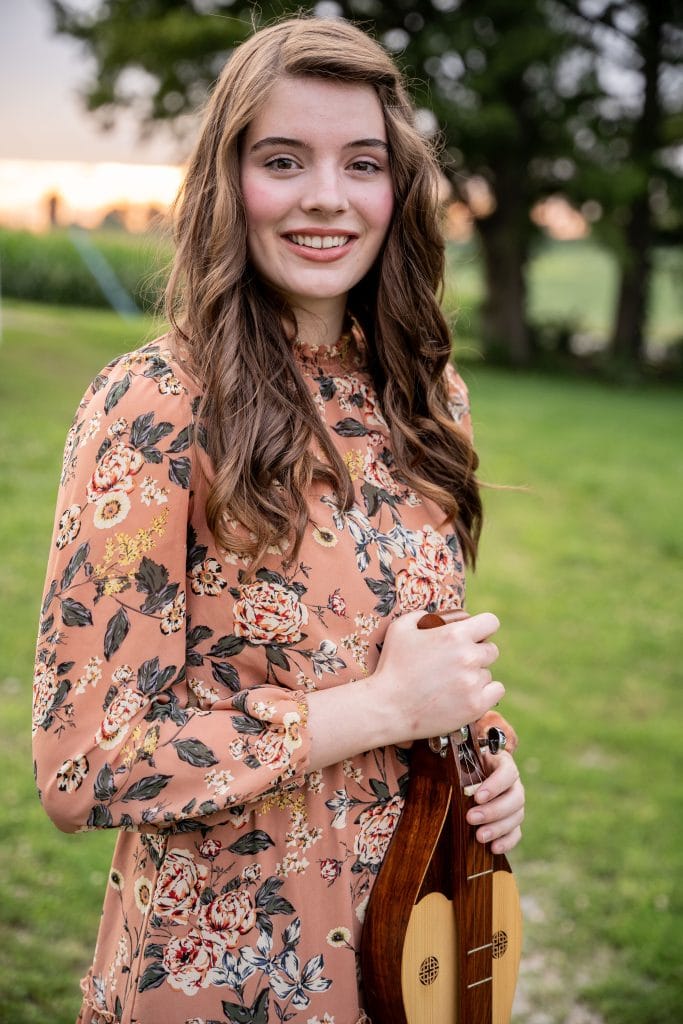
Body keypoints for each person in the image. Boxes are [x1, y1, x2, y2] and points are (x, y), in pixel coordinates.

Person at [32, 16, 524, 1024]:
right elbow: (87, 764)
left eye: (362, 163)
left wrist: (480, 749)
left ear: (397, 189)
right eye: (284, 160)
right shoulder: (155, 405)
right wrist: (382, 710)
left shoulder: (425, 398)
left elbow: (414, 655)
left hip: (419, 952)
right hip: (230, 977)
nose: (326, 196)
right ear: (229, 181)